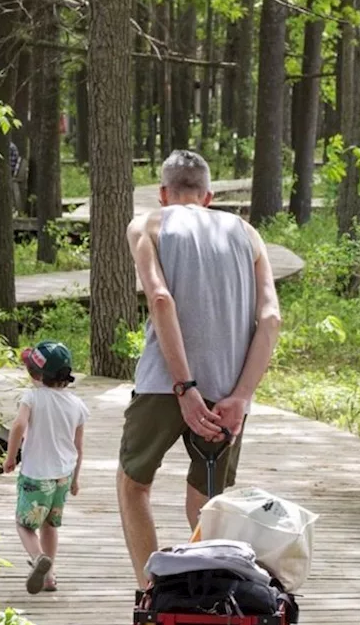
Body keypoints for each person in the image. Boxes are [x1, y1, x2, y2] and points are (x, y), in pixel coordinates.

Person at [117, 150, 282, 591]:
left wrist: (184, 387)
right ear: (208, 196)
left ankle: (151, 597)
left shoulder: (148, 224)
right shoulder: (248, 233)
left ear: (163, 193)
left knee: (134, 484)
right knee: (208, 502)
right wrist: (241, 397)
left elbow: (161, 299)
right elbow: (270, 318)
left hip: (161, 383)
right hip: (229, 390)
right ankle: (207, 599)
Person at [2, 340, 89, 594]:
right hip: (63, 476)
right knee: (50, 525)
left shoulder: (32, 397)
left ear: (36, 374)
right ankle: (49, 577)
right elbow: (79, 446)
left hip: (35, 475)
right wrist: (75, 479)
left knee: (24, 524)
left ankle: (39, 557)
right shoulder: (77, 404)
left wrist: (10, 458)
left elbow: (18, 426)